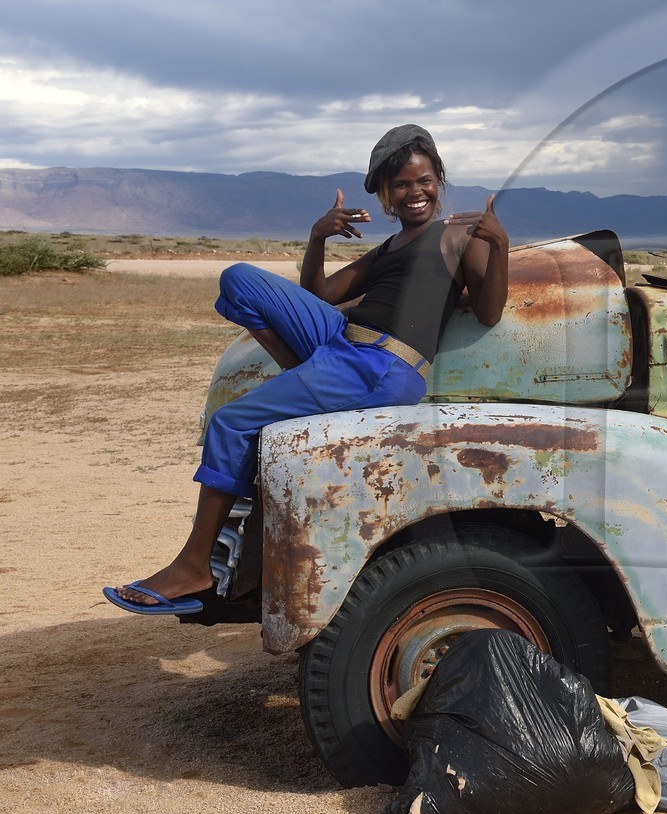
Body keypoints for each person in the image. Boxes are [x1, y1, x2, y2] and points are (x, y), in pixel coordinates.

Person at [105, 124, 509, 614]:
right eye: (401, 185)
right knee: (238, 281)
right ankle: (307, 376)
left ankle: (194, 567)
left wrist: (501, 245)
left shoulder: (460, 235)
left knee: (231, 421)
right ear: (385, 193)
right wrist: (317, 236)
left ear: (438, 180)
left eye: (423, 180)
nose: (414, 192)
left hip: (378, 365)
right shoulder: (390, 248)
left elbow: (489, 310)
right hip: (339, 346)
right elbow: (318, 296)